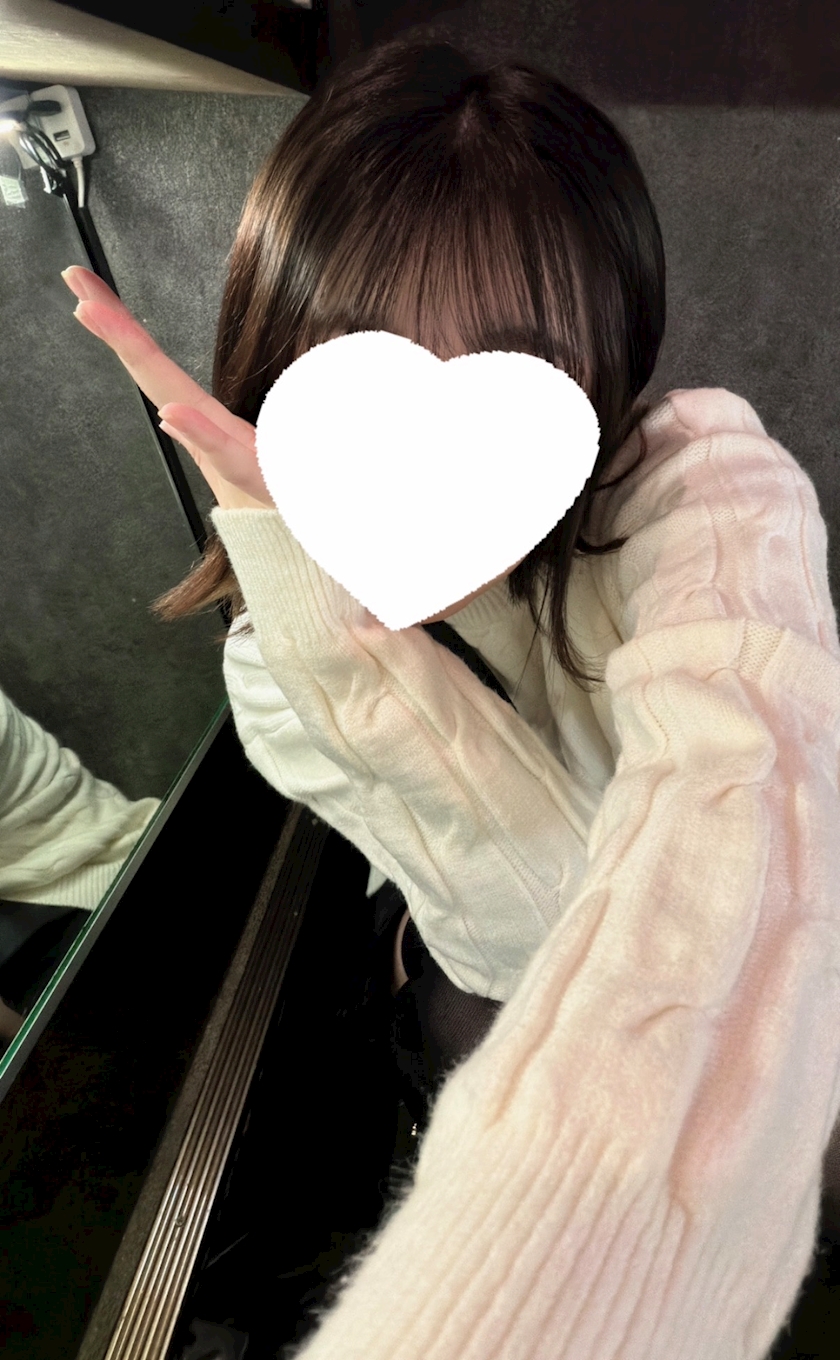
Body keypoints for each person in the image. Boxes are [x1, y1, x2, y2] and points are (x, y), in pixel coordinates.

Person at [62, 34, 840, 1360]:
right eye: (363, 365)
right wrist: (321, 611)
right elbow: (529, 937)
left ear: (608, 365)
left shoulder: (701, 495)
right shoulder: (272, 668)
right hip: (469, 965)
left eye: (512, 370)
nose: (430, 461)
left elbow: (732, 825)